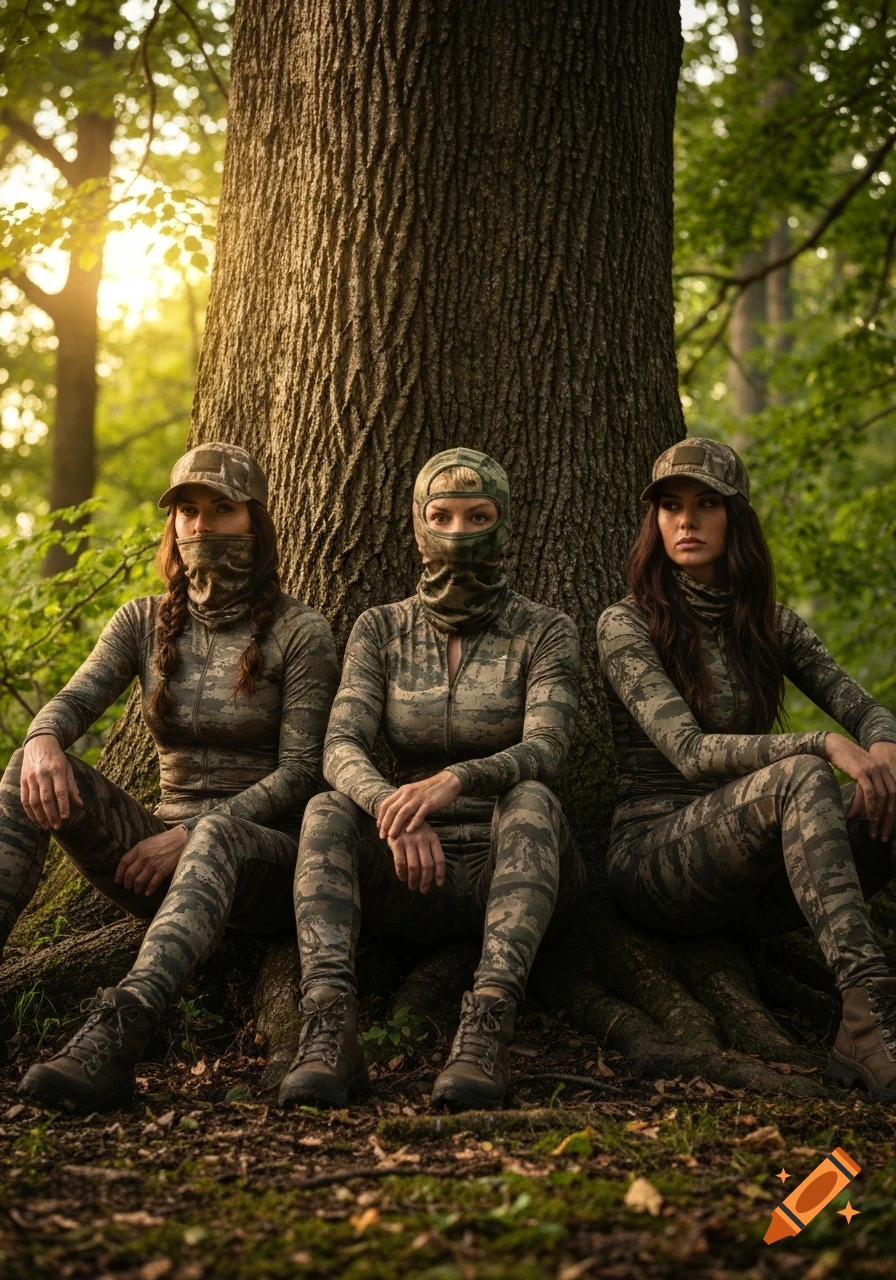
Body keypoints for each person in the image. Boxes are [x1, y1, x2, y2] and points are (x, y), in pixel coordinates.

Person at [3, 443, 339, 1112]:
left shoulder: (301, 633)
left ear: (255, 523)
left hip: (265, 868)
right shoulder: (141, 621)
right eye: (187, 510)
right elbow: (71, 704)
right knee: (26, 767)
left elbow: (304, 774)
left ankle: (118, 1036)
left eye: (222, 510)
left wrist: (193, 835)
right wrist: (42, 739)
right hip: (158, 860)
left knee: (214, 836)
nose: (201, 525)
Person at [279, 447, 586, 1111]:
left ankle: (489, 1023)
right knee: (328, 810)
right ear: (418, 529)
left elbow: (548, 746)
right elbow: (339, 744)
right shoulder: (380, 630)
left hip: (516, 868)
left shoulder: (547, 631)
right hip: (409, 866)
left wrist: (457, 780)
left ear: (505, 523)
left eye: (478, 515)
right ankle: (329, 1027)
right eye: (441, 516)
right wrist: (393, 808)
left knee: (532, 797)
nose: (458, 533)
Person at [597, 436, 896, 1100]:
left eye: (707, 504)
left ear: (736, 520)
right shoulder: (627, 625)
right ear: (655, 522)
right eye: (670, 507)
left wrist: (883, 748)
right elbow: (690, 751)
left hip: (754, 877)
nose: (686, 521)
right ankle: (867, 1016)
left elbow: (866, 708)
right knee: (803, 772)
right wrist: (820, 745)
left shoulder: (770, 625)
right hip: (655, 861)